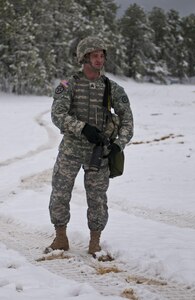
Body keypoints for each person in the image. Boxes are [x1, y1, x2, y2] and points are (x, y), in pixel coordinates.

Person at [46, 36, 134, 255]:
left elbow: (127, 120)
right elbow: (57, 115)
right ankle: (60, 238)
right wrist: (82, 128)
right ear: (84, 57)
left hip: (100, 152)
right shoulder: (68, 85)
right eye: (94, 55)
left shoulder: (112, 88)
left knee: (97, 199)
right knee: (60, 193)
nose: (99, 59)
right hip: (71, 150)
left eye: (101, 55)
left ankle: (95, 242)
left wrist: (119, 145)